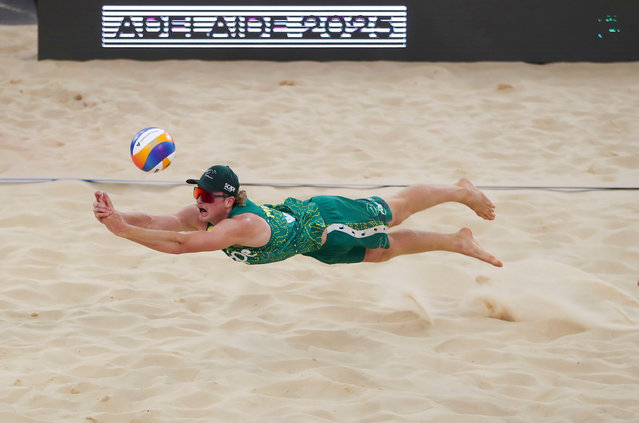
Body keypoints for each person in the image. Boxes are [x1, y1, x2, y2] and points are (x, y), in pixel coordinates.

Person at [93, 165, 502, 267]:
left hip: (326, 219)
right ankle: (456, 241)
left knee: (394, 213)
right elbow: (157, 223)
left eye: (206, 195)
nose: (197, 200)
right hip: (311, 246)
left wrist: (122, 232)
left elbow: (181, 247)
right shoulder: (203, 213)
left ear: (231, 200)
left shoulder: (243, 225)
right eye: (196, 192)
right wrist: (119, 216)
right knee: (381, 253)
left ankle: (459, 191)